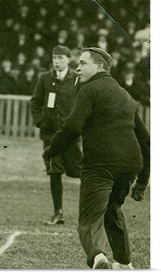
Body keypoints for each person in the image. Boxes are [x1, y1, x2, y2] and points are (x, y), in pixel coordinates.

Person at [43, 47, 150, 269]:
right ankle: (123, 263)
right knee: (113, 211)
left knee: (89, 221)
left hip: (100, 165)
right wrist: (142, 180)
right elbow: (146, 140)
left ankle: (98, 258)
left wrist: (50, 151)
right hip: (129, 165)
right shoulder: (125, 95)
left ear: (99, 66)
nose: (77, 68)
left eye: (82, 63)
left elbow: (72, 126)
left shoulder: (88, 89)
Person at [30, 45, 82, 225]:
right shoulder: (45, 79)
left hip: (71, 135)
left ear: (68, 59)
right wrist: (40, 122)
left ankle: (91, 211)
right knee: (54, 170)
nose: (57, 62)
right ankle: (58, 212)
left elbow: (84, 104)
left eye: (61, 58)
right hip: (50, 136)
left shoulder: (77, 79)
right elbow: (35, 103)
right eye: (54, 58)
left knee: (78, 171)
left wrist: (78, 125)